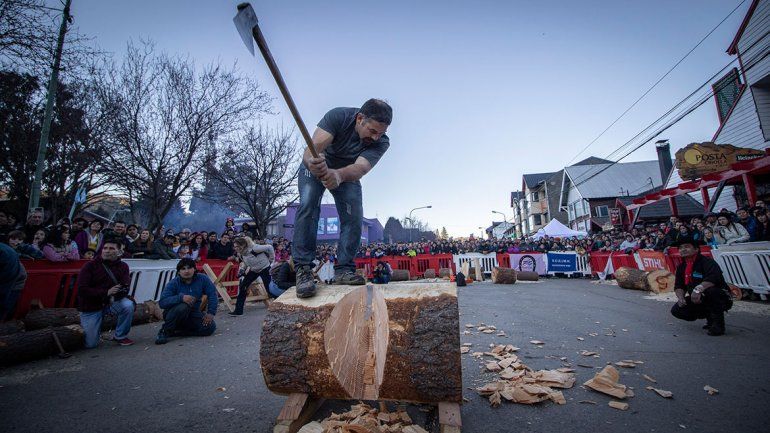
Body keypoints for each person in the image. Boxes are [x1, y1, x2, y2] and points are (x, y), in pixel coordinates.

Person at [293, 99, 392, 298]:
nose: (376, 137)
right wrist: (312, 162)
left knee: (354, 216)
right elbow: (310, 149)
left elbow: (360, 168)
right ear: (360, 119)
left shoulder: (382, 142)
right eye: (372, 131)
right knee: (308, 205)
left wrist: (337, 175)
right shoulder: (338, 116)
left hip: (346, 174)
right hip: (315, 167)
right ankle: (303, 269)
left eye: (381, 133)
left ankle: (344, 269)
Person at [76, 238, 134, 347]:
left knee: (128, 305)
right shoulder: (90, 266)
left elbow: (125, 287)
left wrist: (116, 293)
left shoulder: (123, 266)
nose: (107, 251)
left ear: (119, 252)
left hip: (111, 302)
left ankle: (120, 336)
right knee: (90, 344)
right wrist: (106, 292)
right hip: (91, 306)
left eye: (111, 248)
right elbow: (82, 290)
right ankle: (91, 329)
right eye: (105, 248)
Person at [670, 236, 732, 336]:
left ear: (696, 249)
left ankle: (718, 325)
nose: (683, 249)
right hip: (697, 298)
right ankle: (708, 315)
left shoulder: (707, 262)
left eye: (687, 247)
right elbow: (679, 285)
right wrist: (680, 297)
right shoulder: (681, 267)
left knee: (711, 292)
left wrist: (698, 290)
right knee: (677, 310)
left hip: (720, 297)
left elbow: (714, 278)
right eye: (680, 248)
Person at [155, 258, 217, 344]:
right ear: (178, 272)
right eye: (183, 269)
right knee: (184, 306)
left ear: (194, 269)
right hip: (174, 314)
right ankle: (164, 331)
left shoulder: (203, 279)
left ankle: (178, 332)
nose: (186, 271)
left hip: (193, 313)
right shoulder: (174, 283)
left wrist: (211, 313)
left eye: (189, 268)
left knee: (210, 327)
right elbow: (162, 302)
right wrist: (181, 298)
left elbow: (212, 294)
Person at [229, 236, 274, 316]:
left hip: (264, 268)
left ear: (242, 245)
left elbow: (269, 247)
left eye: (237, 246)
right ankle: (238, 311)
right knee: (243, 286)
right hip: (254, 270)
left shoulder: (254, 248)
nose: (235, 248)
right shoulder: (240, 253)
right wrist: (242, 269)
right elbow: (246, 262)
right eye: (234, 246)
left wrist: (271, 260)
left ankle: (281, 305)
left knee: (269, 289)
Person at [0, 242, 27, 321]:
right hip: (7, 279)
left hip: (13, 284)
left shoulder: (6, 254)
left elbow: (5, 284)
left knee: (3, 306)